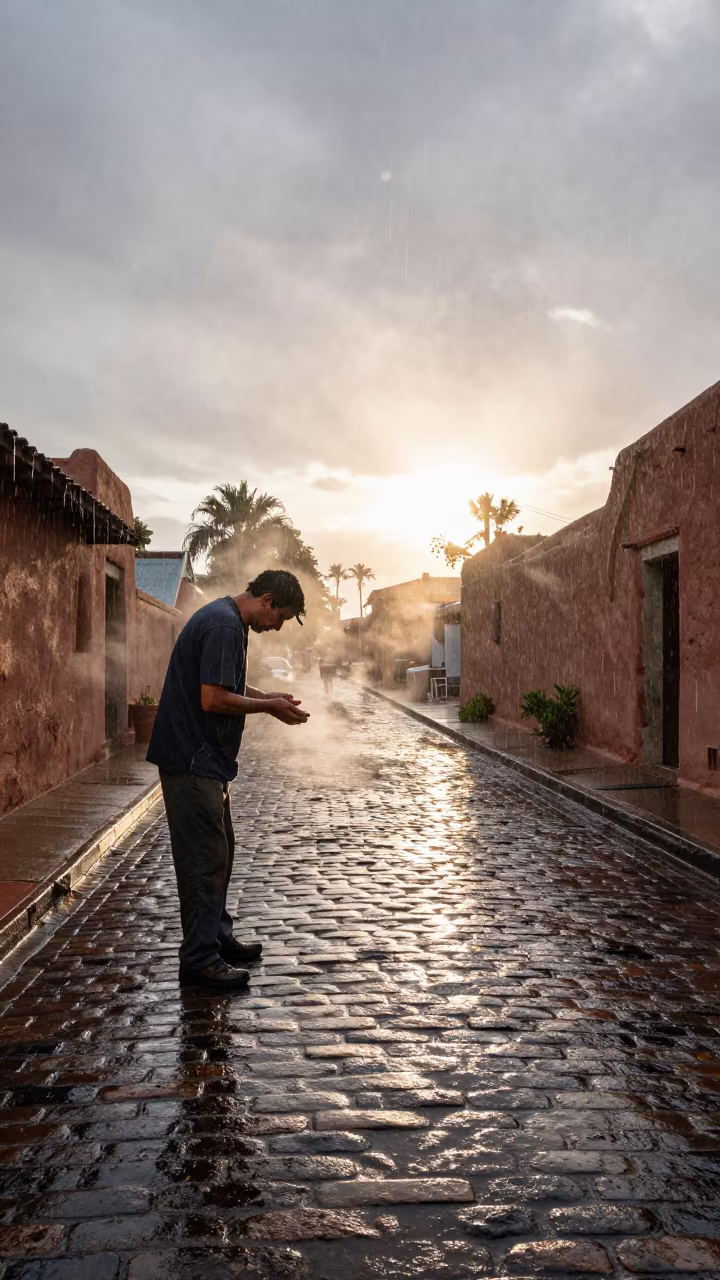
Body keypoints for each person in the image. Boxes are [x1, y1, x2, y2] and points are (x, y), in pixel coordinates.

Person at [147, 569, 310, 990]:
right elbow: (212, 698)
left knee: (221, 850)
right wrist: (269, 707)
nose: (277, 628)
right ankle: (200, 959)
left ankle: (216, 939)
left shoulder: (228, 621)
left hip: (207, 762)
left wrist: (267, 696)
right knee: (204, 857)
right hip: (192, 760)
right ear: (268, 600)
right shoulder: (223, 625)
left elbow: (229, 684)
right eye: (281, 618)